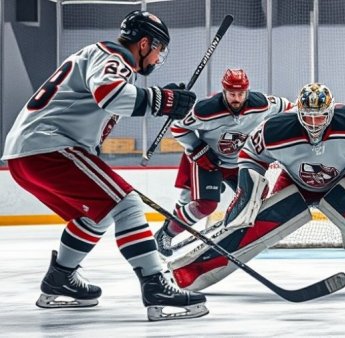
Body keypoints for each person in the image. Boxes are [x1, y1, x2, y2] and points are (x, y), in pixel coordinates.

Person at [1, 10, 208, 321]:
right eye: (158, 50)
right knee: (127, 205)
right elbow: (110, 96)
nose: (157, 58)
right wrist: (163, 101)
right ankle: (155, 284)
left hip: (27, 154)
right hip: (47, 147)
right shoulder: (114, 56)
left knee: (97, 216)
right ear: (144, 43)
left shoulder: (103, 60)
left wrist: (165, 99)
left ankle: (60, 278)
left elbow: (102, 108)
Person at [167, 83, 345, 295]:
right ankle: (189, 272)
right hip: (295, 183)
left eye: (319, 117)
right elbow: (251, 153)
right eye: (307, 117)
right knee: (249, 224)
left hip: (342, 180)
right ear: (298, 111)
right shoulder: (277, 129)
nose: (313, 123)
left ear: (331, 111)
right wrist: (248, 190)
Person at [153, 68, 293, 257]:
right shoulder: (204, 109)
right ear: (224, 91)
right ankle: (165, 234)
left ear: (247, 91)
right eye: (232, 93)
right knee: (206, 205)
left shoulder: (263, 104)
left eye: (241, 93)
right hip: (210, 161)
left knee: (257, 199)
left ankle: (237, 235)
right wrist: (195, 147)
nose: (236, 98)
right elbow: (178, 125)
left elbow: (290, 108)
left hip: (240, 163)